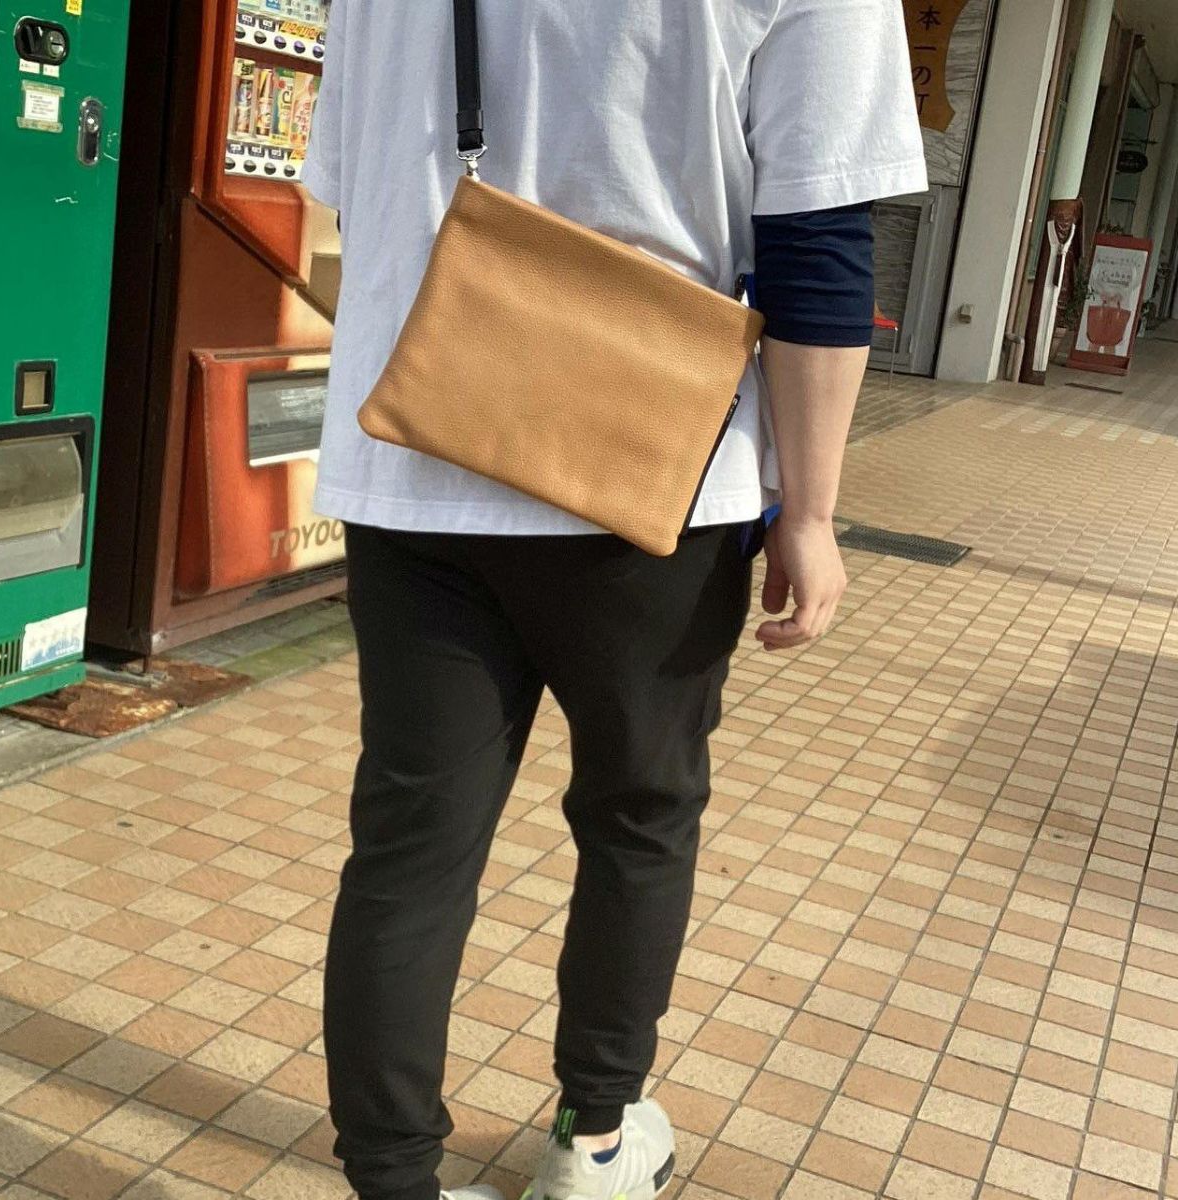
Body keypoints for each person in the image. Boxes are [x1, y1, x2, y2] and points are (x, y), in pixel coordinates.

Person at [302, 3, 926, 1200]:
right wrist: (809, 511)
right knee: (639, 818)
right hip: (654, 479)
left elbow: (352, 194)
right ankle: (594, 1143)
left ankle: (391, 1181)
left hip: (416, 454)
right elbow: (818, 241)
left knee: (410, 843)